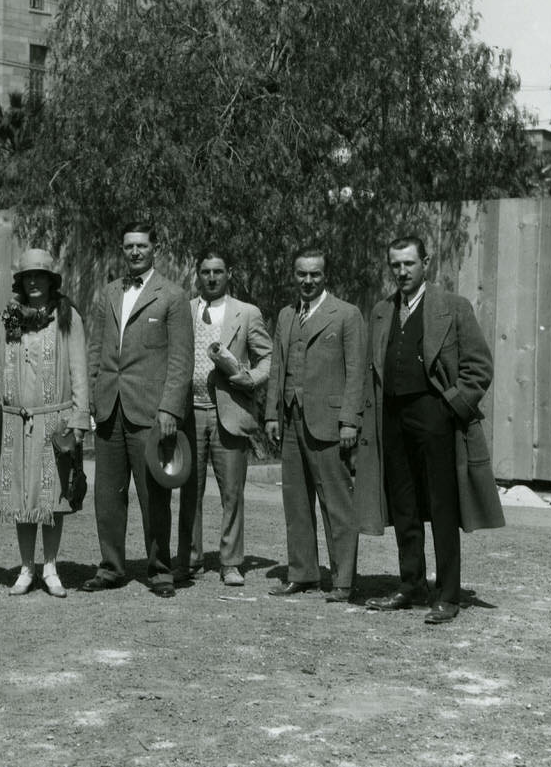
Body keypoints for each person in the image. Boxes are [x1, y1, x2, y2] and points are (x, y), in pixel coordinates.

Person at [357, 236, 505, 625]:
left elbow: (479, 367)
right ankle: (411, 585)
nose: (401, 272)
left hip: (435, 417)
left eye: (408, 264)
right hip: (392, 419)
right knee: (404, 506)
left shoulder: (453, 308)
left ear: (426, 263)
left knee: (442, 506)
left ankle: (448, 595)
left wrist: (451, 405)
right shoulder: (381, 312)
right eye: (395, 265)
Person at [83, 222, 194, 597]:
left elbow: (181, 360)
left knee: (153, 495)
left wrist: (170, 410)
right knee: (107, 494)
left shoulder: (172, 296)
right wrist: (91, 401)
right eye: (128, 246)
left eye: (142, 246)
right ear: (122, 248)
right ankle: (111, 567)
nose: (135, 252)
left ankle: (160, 571)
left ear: (154, 249)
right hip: (109, 409)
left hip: (150, 412)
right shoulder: (108, 294)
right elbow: (95, 351)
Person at [263, 248, 367, 602]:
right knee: (295, 501)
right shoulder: (286, 315)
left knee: (336, 503)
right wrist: (272, 414)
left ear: (325, 276)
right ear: (294, 275)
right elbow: (277, 367)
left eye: (315, 275)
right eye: (301, 274)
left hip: (329, 423)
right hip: (291, 421)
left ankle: (342, 580)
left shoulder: (346, 315)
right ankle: (302, 573)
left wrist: (350, 421)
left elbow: (356, 373)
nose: (307, 281)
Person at [0, 249, 90, 598]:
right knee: (21, 496)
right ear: (21, 281)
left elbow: (79, 370)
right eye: (27, 276)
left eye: (40, 276)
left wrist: (79, 420)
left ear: (51, 281)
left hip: (55, 421)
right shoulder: (9, 319)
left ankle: (50, 568)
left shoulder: (67, 317)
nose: (34, 282)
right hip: (17, 422)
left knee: (52, 498)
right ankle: (25, 568)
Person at [185, 249, 272, 587]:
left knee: (232, 492)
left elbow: (267, 360)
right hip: (190, 411)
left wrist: (249, 378)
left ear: (229, 273)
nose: (211, 277)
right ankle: (190, 559)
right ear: (197, 273)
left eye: (218, 271)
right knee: (189, 489)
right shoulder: (186, 309)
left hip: (231, 410)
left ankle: (231, 562)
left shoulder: (246, 313)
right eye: (205, 271)